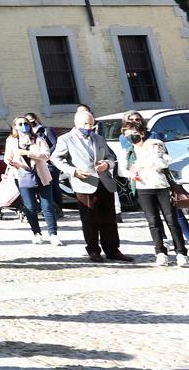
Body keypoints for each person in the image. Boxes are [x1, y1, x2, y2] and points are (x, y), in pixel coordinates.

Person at [51, 110, 132, 263]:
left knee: (109, 219)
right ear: (76, 123)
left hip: (105, 182)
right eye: (86, 124)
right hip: (85, 183)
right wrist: (73, 171)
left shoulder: (99, 137)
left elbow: (111, 156)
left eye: (91, 123)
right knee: (90, 219)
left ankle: (113, 249)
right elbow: (56, 158)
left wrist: (107, 164)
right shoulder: (66, 139)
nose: (89, 127)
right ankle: (93, 250)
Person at [118, 116, 187, 267]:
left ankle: (181, 252)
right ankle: (160, 252)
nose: (130, 136)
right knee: (153, 222)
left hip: (161, 186)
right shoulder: (128, 150)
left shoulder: (154, 143)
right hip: (143, 187)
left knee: (171, 220)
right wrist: (135, 170)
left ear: (141, 133)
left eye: (132, 133)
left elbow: (162, 162)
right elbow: (123, 169)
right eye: (127, 134)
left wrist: (141, 165)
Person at [5, 116, 60, 246]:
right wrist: (11, 163)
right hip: (23, 176)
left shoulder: (38, 139)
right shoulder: (11, 141)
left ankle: (53, 234)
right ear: (15, 127)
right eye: (20, 124)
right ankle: (36, 233)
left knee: (47, 206)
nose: (24, 126)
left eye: (26, 123)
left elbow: (46, 155)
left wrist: (27, 153)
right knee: (30, 207)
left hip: (42, 175)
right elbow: (7, 157)